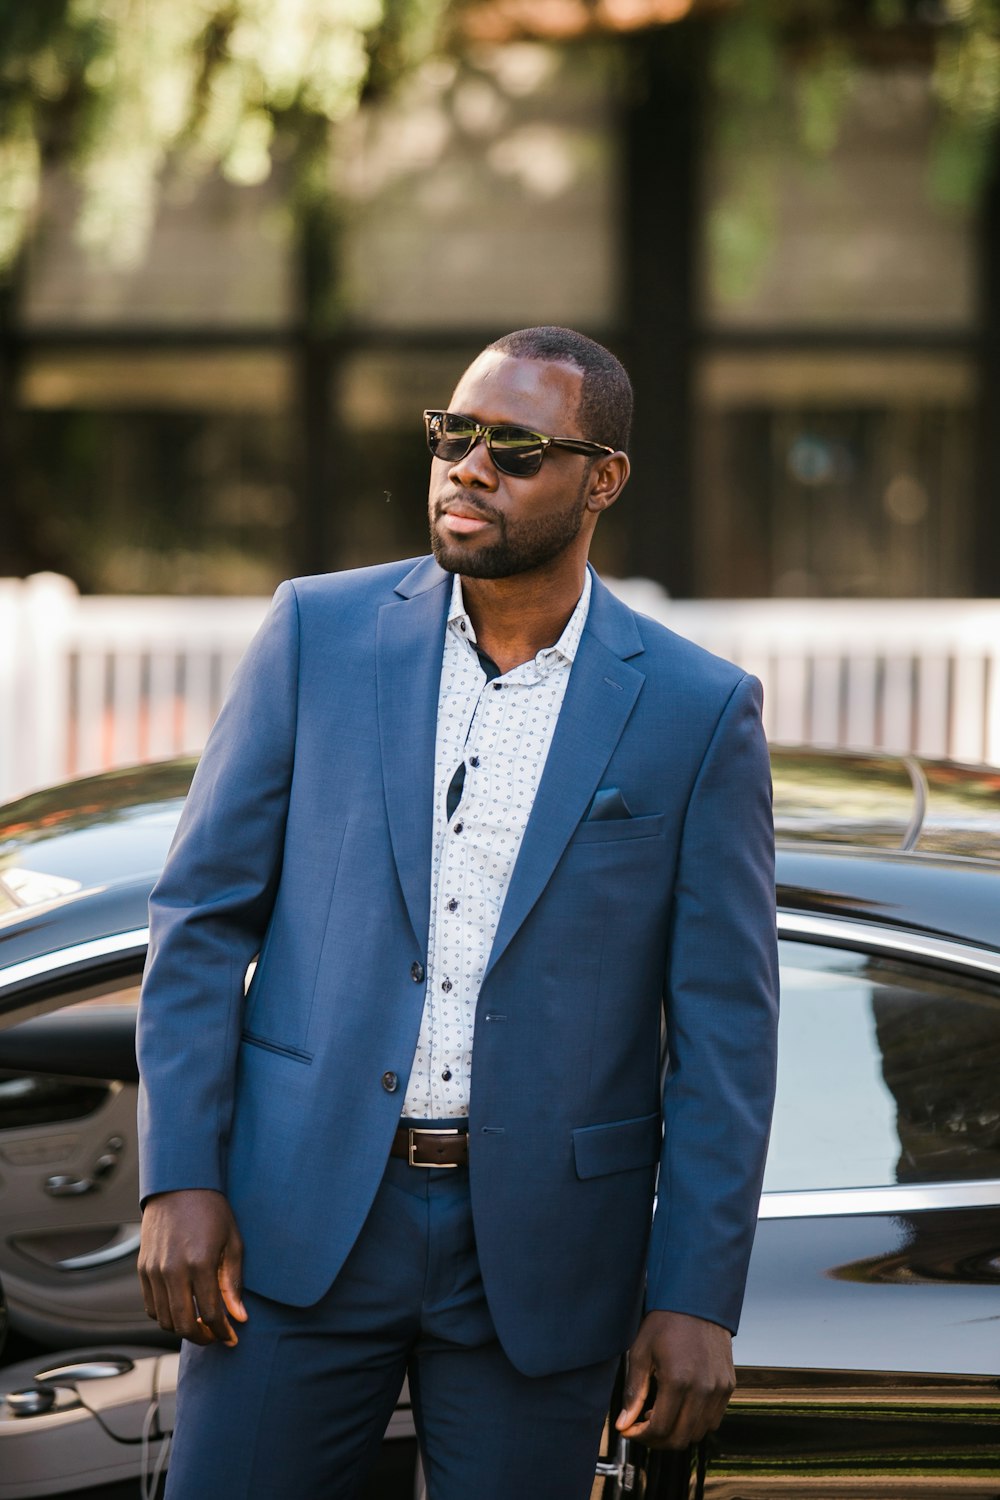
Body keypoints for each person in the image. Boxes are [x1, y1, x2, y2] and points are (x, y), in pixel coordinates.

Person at [136, 325, 779, 1500]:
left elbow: (725, 1038)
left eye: (515, 448)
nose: (468, 468)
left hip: (542, 1257)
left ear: (603, 480)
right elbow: (200, 918)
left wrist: (693, 1296)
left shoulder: (697, 710)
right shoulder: (316, 636)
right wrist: (179, 1172)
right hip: (296, 1219)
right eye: (454, 436)